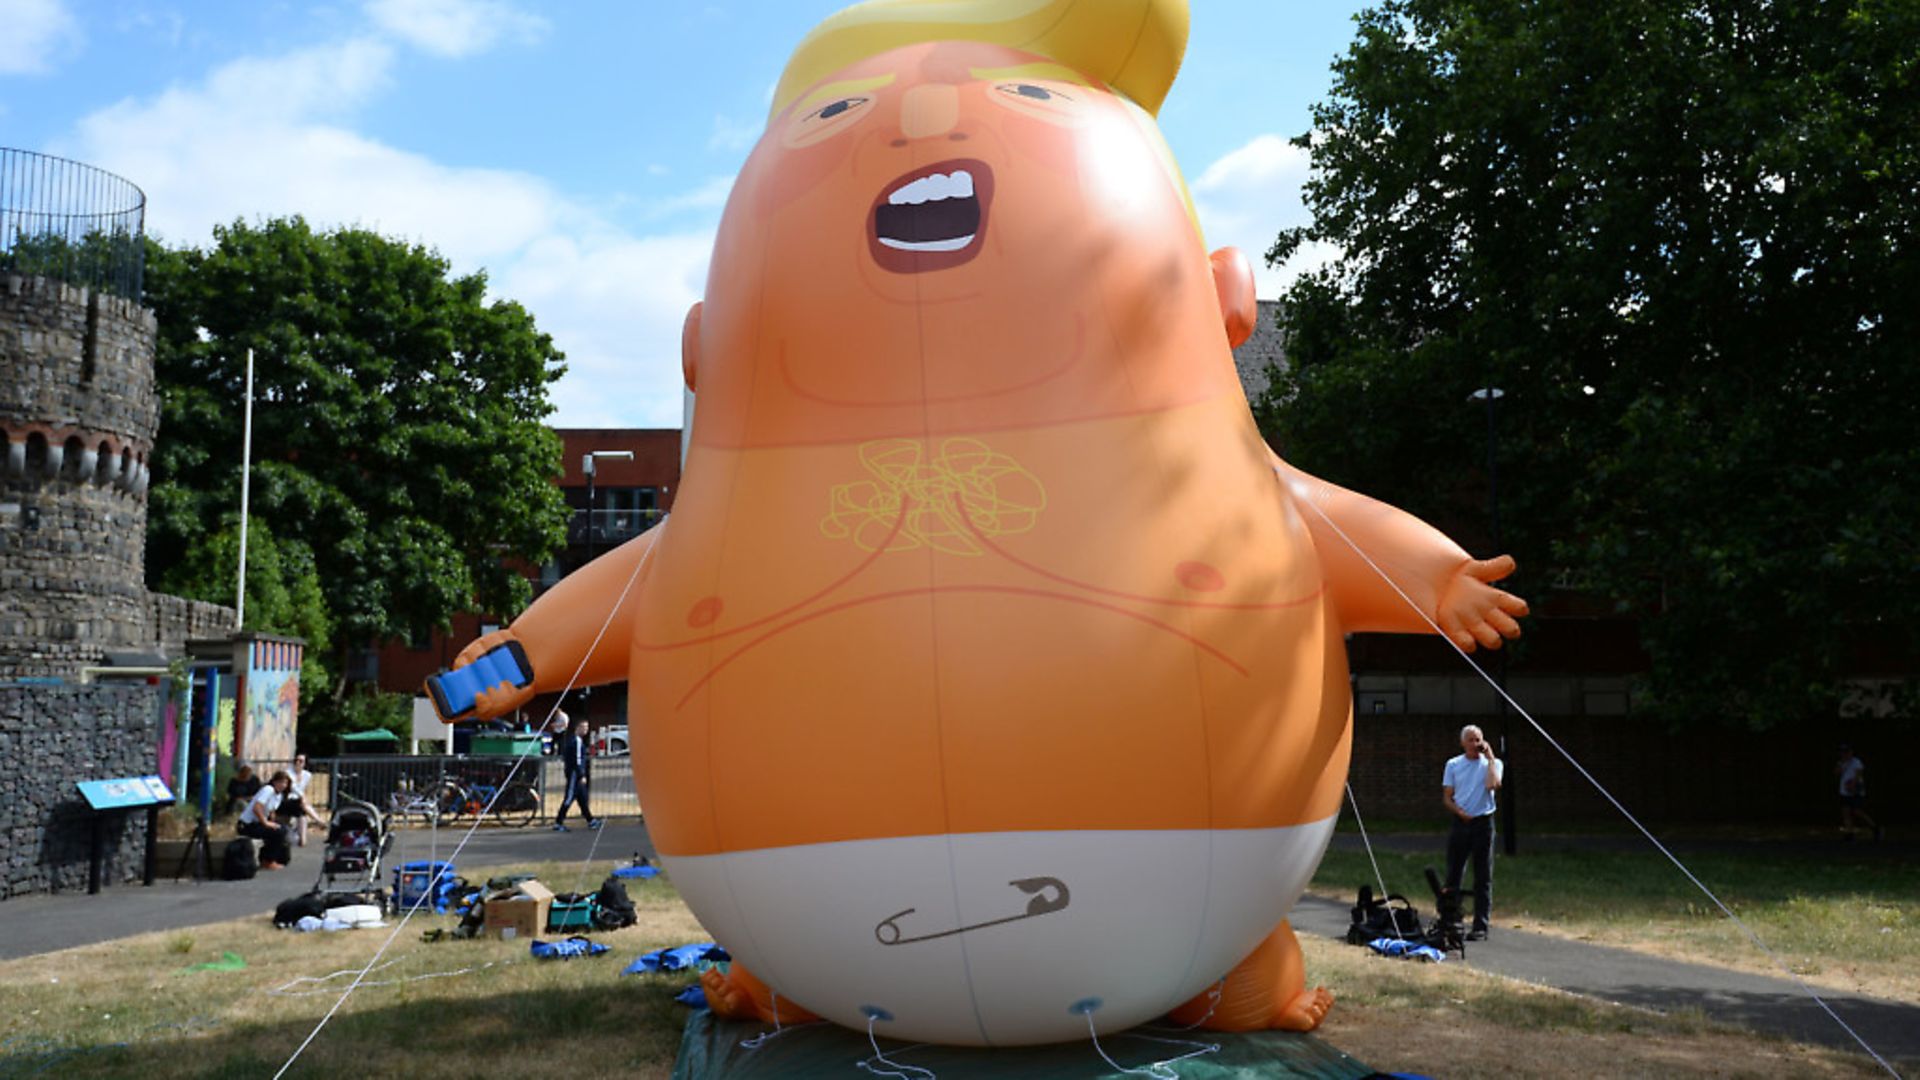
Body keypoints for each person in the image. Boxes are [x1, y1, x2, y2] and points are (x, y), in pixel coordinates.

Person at [1442, 725, 1504, 941]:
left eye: (1478, 739)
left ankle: (1480, 925)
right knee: (1454, 872)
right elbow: (1447, 796)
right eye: (1471, 740)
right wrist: (1458, 811)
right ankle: (1451, 919)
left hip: (1483, 823)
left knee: (1483, 875)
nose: (1475, 744)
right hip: (1461, 822)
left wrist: (1490, 757)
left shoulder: (1493, 764)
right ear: (1462, 743)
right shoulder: (1453, 764)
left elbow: (1493, 785)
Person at [553, 713, 602, 832]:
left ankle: (591, 820)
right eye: (584, 727)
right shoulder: (577, 741)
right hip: (575, 774)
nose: (586, 730)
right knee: (569, 798)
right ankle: (558, 822)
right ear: (577, 728)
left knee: (582, 798)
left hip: (573, 772)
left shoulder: (572, 740)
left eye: (587, 727)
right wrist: (581, 774)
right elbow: (578, 760)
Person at [239, 770, 295, 870]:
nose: (283, 785)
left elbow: (271, 812)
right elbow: (257, 808)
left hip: (258, 823)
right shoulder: (268, 790)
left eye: (285, 783)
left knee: (282, 829)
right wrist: (266, 823)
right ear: (274, 782)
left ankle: (275, 858)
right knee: (278, 832)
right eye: (280, 782)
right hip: (247, 825)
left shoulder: (279, 796)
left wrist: (273, 823)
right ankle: (269, 861)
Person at [1836, 744, 1881, 842]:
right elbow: (1837, 773)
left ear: (1851, 752)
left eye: (1846, 752)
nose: (1844, 754)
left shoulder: (1856, 762)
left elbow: (1859, 774)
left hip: (1856, 791)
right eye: (1843, 752)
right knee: (1846, 812)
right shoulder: (1841, 763)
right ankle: (1849, 833)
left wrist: (1853, 784)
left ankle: (1875, 828)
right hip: (1844, 791)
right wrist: (1841, 764)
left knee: (1857, 811)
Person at [283, 754, 326, 846]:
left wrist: (302, 798)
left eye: (301, 761)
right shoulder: (288, 773)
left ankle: (303, 840)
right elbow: (293, 788)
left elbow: (303, 790)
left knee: (302, 810)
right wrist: (302, 797)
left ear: (305, 763)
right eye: (296, 760)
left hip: (298, 801)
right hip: (287, 799)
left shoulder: (307, 775)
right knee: (302, 805)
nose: (298, 763)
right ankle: (319, 821)